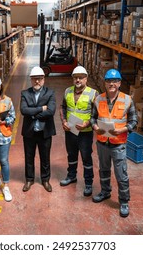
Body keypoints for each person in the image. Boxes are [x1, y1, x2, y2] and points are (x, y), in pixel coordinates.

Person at [90, 69, 137, 218]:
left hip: (118, 143)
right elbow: (92, 118)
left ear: (119, 83)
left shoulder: (127, 99)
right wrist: (95, 127)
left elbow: (134, 121)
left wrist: (123, 129)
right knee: (104, 170)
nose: (112, 84)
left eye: (115, 81)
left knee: (121, 174)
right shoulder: (98, 99)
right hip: (102, 142)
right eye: (109, 81)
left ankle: (124, 201)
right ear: (105, 83)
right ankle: (105, 192)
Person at [59, 66, 99, 197]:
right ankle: (71, 176)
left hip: (85, 132)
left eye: (81, 77)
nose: (78, 80)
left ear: (86, 78)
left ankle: (88, 183)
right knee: (71, 155)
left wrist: (87, 123)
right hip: (70, 130)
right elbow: (63, 107)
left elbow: (97, 113)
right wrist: (64, 121)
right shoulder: (67, 91)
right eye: (75, 77)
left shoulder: (93, 93)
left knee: (86, 157)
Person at [20, 66, 56, 193]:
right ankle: (29, 179)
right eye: (35, 79)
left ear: (43, 79)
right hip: (29, 132)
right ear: (31, 79)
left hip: (45, 132)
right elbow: (24, 110)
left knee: (45, 157)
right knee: (29, 157)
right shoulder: (25, 93)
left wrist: (32, 113)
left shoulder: (50, 93)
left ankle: (45, 180)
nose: (37, 81)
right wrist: (41, 109)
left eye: (39, 79)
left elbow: (51, 111)